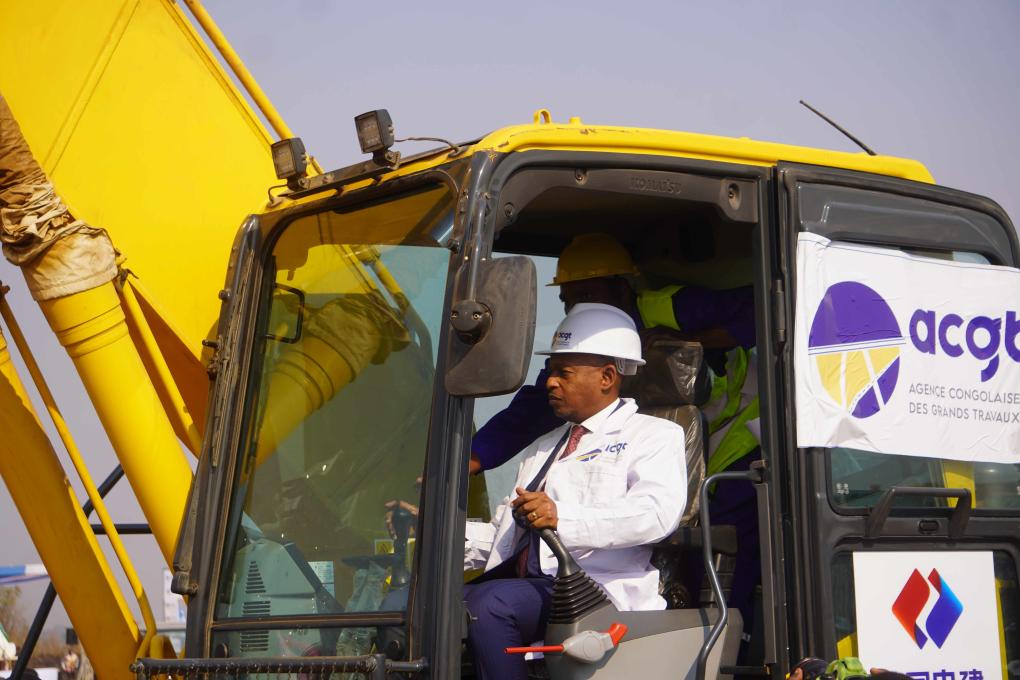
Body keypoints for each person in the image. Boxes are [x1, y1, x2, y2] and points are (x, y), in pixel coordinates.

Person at [463, 303, 687, 680]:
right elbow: (508, 533)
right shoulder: (544, 446)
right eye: (551, 371)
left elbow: (655, 515)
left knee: (490, 604)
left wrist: (561, 517)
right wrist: (439, 534)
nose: (550, 382)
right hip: (537, 588)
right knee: (429, 601)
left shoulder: (654, 436)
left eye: (563, 373)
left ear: (607, 377)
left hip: (594, 590)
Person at [470, 231, 756, 476]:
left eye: (586, 295)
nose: (577, 309)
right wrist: (472, 459)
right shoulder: (583, 343)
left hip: (740, 433)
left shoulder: (673, 307)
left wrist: (692, 340)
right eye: (568, 301)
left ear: (621, 289)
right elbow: (531, 412)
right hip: (674, 450)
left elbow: (761, 310)